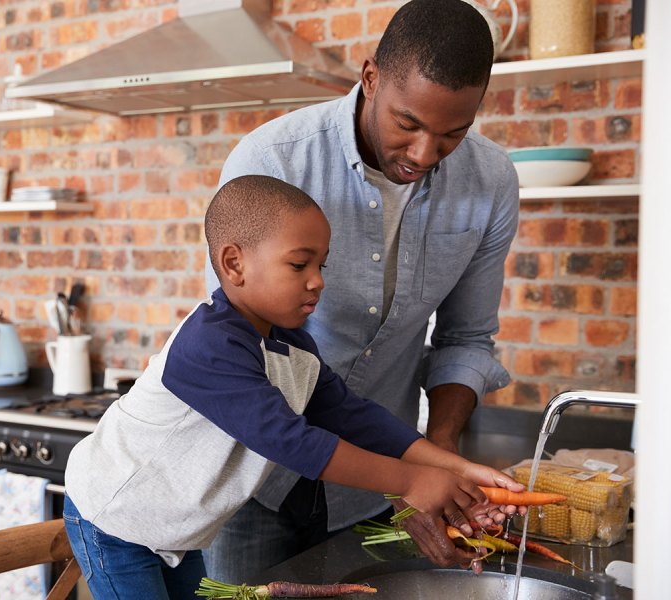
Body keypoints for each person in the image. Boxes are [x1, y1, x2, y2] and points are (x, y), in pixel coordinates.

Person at [64, 175, 522, 599]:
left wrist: (458, 468)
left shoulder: (290, 346)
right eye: (299, 264)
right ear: (234, 263)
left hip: (171, 528)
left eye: (321, 264)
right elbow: (292, 442)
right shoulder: (209, 344)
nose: (318, 281)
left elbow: (352, 416)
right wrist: (414, 479)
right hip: (115, 519)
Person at [202, 0, 521, 582]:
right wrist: (411, 476)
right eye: (408, 123)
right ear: (370, 76)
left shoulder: (491, 182)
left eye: (453, 132)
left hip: (374, 495)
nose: (424, 155)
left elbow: (466, 339)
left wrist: (439, 462)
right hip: (254, 484)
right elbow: (247, 351)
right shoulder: (273, 160)